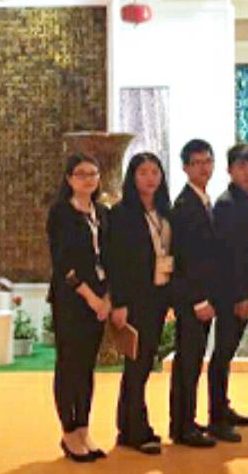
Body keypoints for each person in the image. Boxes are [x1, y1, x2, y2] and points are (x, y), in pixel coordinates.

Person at [105, 152, 173, 454]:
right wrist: (119, 303)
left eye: (155, 172)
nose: (150, 178)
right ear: (132, 177)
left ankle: (133, 426)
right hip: (134, 300)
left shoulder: (164, 211)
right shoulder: (121, 213)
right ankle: (133, 430)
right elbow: (115, 261)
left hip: (159, 296)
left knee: (145, 363)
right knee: (136, 365)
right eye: (143, 172)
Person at [46, 153, 111, 462]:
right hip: (71, 300)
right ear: (69, 179)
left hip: (100, 298)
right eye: (81, 174)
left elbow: (111, 258)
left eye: (93, 174)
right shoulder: (61, 213)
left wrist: (107, 297)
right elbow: (63, 264)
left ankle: (84, 428)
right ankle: (68, 431)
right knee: (69, 365)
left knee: (87, 367)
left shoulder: (103, 212)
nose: (88, 179)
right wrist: (91, 297)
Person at [205, 143, 248, 443]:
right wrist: (241, 296)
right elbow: (231, 255)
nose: (247, 172)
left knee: (226, 353)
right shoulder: (227, 204)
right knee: (222, 354)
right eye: (241, 166)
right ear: (229, 170)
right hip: (229, 292)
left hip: (242, 289)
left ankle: (223, 407)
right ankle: (216, 418)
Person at [169, 139, 219, 448]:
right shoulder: (185, 205)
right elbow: (185, 258)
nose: (203, 167)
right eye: (197, 162)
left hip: (203, 296)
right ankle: (182, 427)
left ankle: (186, 419)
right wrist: (199, 300)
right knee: (187, 363)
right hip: (192, 299)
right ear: (185, 167)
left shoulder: (203, 199)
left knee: (193, 361)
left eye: (207, 161)